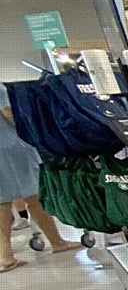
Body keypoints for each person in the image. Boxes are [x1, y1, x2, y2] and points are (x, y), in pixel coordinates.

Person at [0, 84, 81, 272]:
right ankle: (55, 242)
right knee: (35, 194)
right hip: (12, 149)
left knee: (5, 200)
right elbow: (10, 115)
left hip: (6, 150)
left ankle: (7, 254)